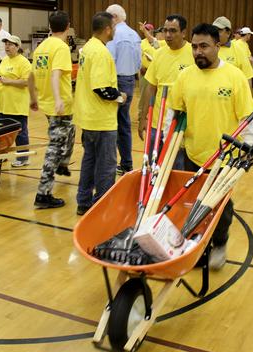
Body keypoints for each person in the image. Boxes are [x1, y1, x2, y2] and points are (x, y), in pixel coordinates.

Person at [168, 23, 253, 270]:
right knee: (194, 203)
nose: (198, 51)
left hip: (225, 156)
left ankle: (219, 244)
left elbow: (246, 118)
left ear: (217, 46)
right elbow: (175, 115)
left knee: (220, 205)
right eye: (195, 47)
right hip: (194, 153)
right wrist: (169, 144)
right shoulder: (185, 76)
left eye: (204, 46)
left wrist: (250, 145)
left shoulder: (234, 77)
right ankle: (196, 246)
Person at [74, 11, 126, 216]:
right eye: (113, 28)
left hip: (88, 117)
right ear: (107, 29)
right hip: (101, 119)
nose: (114, 31)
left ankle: (83, 201)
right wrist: (120, 97)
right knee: (106, 166)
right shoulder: (101, 53)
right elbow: (102, 88)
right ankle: (101, 206)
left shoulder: (87, 47)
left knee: (89, 161)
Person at [29, 10, 76, 209]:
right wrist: (58, 99)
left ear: (50, 27)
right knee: (54, 146)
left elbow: (31, 76)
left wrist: (33, 97)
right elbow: (56, 74)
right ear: (68, 27)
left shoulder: (41, 47)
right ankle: (43, 193)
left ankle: (63, 163)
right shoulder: (61, 47)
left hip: (47, 103)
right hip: (59, 104)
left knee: (70, 131)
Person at [137, 14, 194, 146]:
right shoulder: (159, 54)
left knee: (177, 165)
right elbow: (150, 88)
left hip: (181, 127)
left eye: (173, 31)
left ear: (184, 33)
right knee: (152, 165)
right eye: (165, 30)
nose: (168, 35)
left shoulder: (193, 54)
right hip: (156, 124)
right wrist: (143, 118)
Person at [105, 4, 141, 175]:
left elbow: (109, 60)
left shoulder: (114, 34)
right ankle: (126, 163)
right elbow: (139, 62)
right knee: (123, 123)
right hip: (130, 80)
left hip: (116, 80)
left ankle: (110, 163)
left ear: (114, 17)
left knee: (111, 123)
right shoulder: (134, 34)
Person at [0, 35, 31, 167]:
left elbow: (27, 81)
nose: (7, 47)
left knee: (20, 132)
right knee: (3, 132)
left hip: (17, 104)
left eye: (10, 44)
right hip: (4, 103)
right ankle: (2, 155)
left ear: (17, 47)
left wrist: (8, 81)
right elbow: (1, 75)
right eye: (6, 44)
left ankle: (23, 158)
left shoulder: (24, 62)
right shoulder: (4, 60)